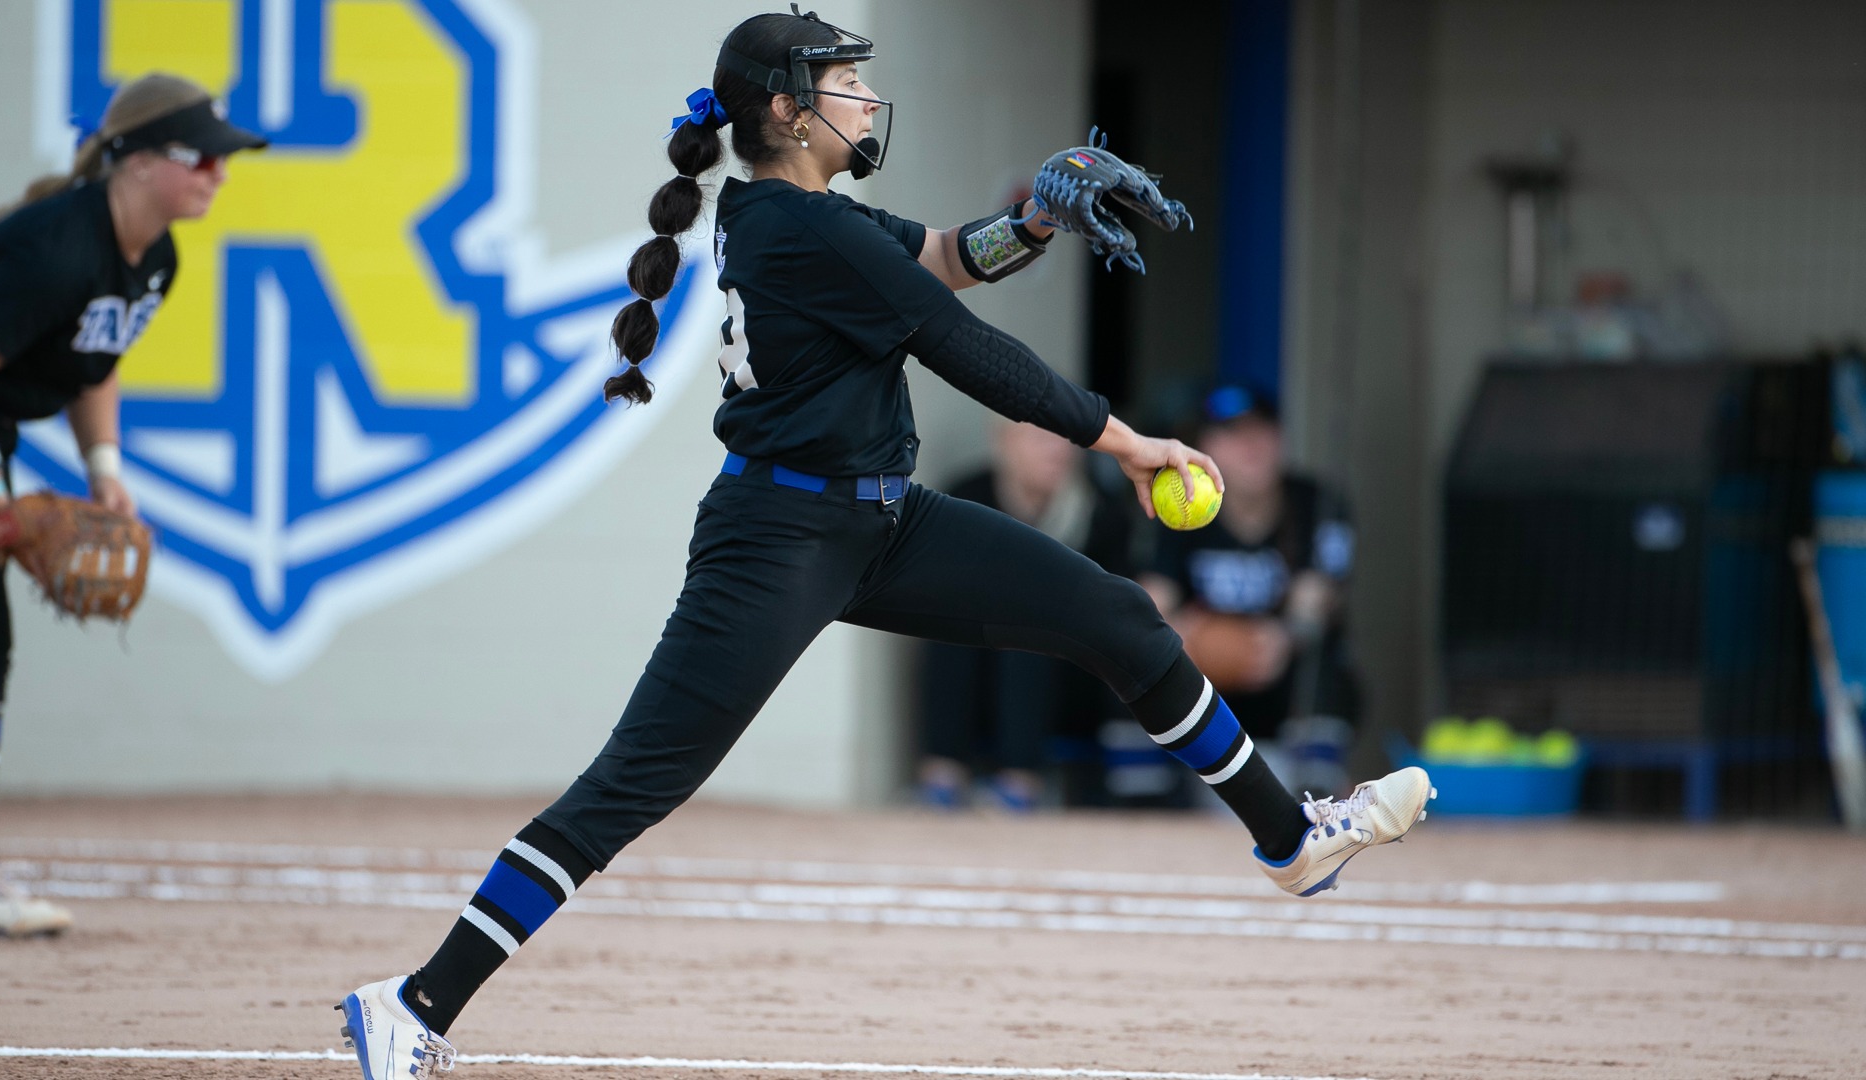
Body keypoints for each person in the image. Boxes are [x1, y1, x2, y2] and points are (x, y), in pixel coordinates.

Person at [335, 11, 1434, 1077]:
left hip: (878, 519)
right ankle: (415, 1002)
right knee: (634, 784)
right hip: (780, 536)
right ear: (786, 108)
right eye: (843, 79)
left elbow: (948, 257)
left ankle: (1291, 840)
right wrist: (1125, 441)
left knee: (1115, 616)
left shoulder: (810, 216)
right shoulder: (796, 225)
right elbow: (962, 347)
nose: (864, 92)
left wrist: (1037, 220)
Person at [0, 74, 266, 935]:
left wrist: (104, 467)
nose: (218, 174)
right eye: (201, 156)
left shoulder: (155, 255)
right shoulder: (57, 245)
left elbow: (98, 356)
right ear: (134, 161)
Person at [1141, 385, 1361, 797]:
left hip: (1284, 679)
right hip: (1199, 682)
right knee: (1133, 665)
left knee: (1330, 673)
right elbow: (1153, 601)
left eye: (1262, 433)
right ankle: (1145, 804)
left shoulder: (1315, 502)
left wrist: (1285, 638)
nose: (1251, 448)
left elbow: (1319, 600)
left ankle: (1321, 799)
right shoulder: (1176, 507)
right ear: (1206, 449)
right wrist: (1184, 638)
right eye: (1234, 435)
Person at [915, 421, 1139, 810]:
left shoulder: (1100, 511)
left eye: (1064, 437)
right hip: (983, 676)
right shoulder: (967, 497)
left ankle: (1019, 782)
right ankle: (943, 775)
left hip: (1073, 680)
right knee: (949, 626)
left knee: (1029, 627)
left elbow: (1114, 608)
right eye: (1041, 437)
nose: (1057, 450)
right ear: (1004, 443)